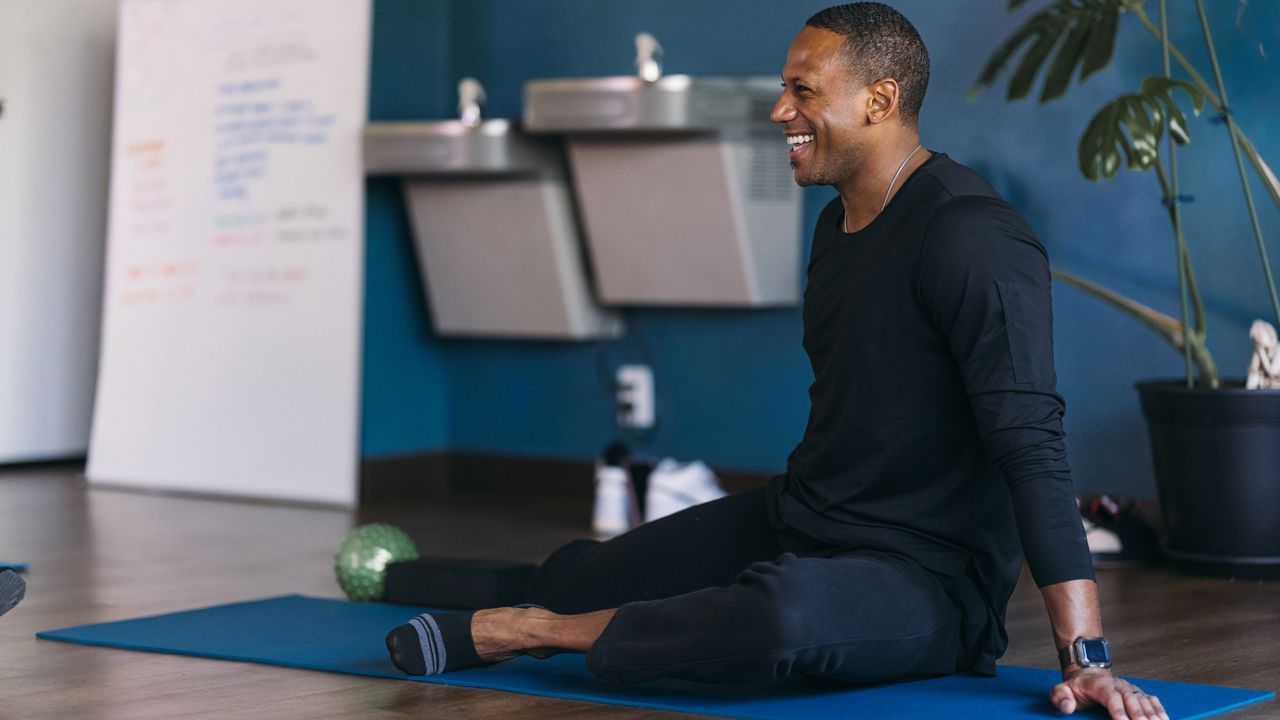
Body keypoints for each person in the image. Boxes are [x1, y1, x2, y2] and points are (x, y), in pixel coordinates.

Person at [386, 4, 1167, 719]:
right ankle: (414, 582)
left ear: (880, 100)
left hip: (924, 581)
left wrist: (1087, 657)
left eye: (802, 90)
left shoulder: (972, 236)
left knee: (780, 618)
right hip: (800, 518)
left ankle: (535, 631)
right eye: (781, 89)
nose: (779, 111)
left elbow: (1030, 439)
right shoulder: (837, 229)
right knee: (584, 575)